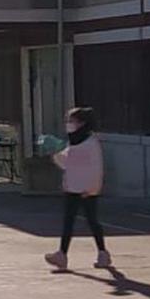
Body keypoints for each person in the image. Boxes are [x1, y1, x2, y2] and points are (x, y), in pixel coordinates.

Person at [45, 107, 111, 271]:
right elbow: (66, 162)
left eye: (71, 121)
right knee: (68, 221)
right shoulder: (74, 141)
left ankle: (103, 252)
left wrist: (94, 188)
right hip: (72, 187)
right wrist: (54, 153)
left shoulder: (90, 143)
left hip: (87, 189)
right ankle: (62, 254)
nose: (69, 124)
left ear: (81, 123)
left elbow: (97, 168)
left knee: (92, 220)